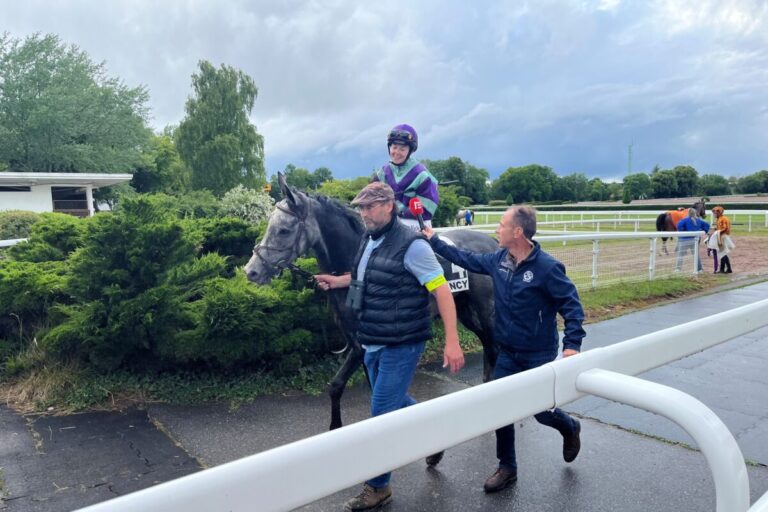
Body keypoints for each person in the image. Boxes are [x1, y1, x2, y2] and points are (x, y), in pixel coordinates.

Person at [314, 181, 464, 511]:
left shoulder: (413, 246)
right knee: (394, 401)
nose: (362, 213)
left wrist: (452, 341)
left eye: (368, 207)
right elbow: (365, 277)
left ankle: (378, 487)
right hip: (373, 340)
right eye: (360, 207)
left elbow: (441, 292)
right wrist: (337, 281)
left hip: (402, 342)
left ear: (387, 206)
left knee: (380, 415)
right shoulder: (369, 239)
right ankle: (436, 433)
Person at [422, 205, 584, 493]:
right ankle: (507, 466)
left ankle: (569, 426)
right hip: (507, 350)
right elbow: (466, 258)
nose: (496, 229)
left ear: (517, 232)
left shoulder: (547, 268)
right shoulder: (499, 259)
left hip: (538, 353)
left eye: (501, 224)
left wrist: (572, 345)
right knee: (501, 409)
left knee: (541, 412)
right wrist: (434, 239)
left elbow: (572, 306)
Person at [372, 124, 440, 231]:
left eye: (402, 149)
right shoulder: (382, 174)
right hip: (388, 223)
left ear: (410, 151)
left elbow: (427, 209)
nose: (397, 153)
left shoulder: (422, 175)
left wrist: (396, 212)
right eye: (394, 147)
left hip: (416, 225)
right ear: (389, 147)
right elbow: (371, 200)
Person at [675, 208, 710, 272]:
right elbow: (707, 225)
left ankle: (678, 269)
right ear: (695, 213)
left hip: (684, 240)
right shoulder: (699, 220)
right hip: (695, 241)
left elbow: (679, 226)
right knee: (696, 255)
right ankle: (699, 269)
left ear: (688, 213)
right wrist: (704, 230)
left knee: (680, 255)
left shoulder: (684, 220)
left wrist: (683, 231)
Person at [707, 206, 734, 273]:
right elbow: (720, 228)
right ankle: (728, 269)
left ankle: (723, 269)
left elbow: (724, 228)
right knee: (723, 253)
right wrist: (715, 229)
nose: (714, 215)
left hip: (722, 237)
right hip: (720, 236)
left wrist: (717, 232)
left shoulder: (723, 219)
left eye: (715, 213)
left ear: (719, 213)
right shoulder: (719, 219)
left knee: (722, 253)